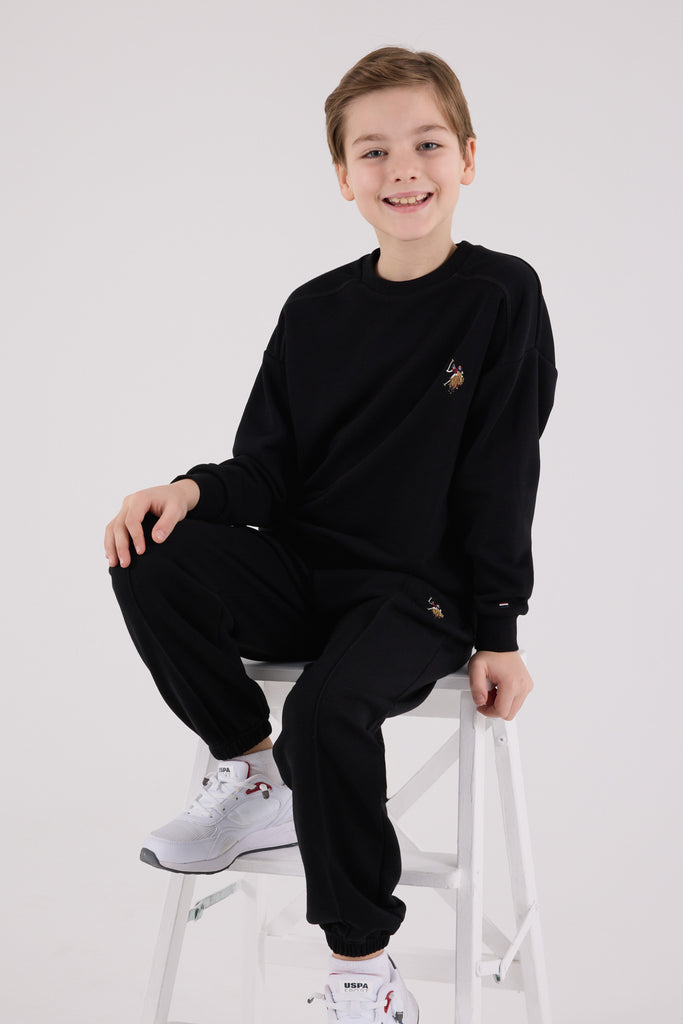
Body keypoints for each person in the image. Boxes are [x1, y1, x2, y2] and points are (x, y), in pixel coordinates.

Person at [105, 45, 557, 1023]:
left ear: (467, 157)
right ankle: (250, 773)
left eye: (426, 144)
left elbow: (501, 470)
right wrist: (186, 489)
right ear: (343, 177)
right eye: (373, 151)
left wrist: (498, 627)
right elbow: (265, 470)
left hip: (418, 594)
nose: (403, 169)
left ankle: (365, 973)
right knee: (148, 550)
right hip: (306, 574)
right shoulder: (313, 310)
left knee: (324, 711)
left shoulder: (498, 295)